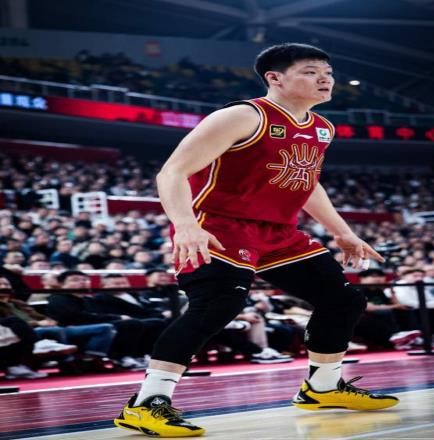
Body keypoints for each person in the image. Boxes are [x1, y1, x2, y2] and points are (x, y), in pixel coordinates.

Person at [115, 43, 399, 438]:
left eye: (328, 73)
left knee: (343, 299)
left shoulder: (322, 127)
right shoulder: (242, 116)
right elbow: (172, 172)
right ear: (275, 78)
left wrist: (343, 232)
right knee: (218, 303)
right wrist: (185, 225)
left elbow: (306, 180)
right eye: (311, 72)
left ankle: (322, 387)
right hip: (218, 224)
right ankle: (145, 404)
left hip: (278, 231)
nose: (325, 79)